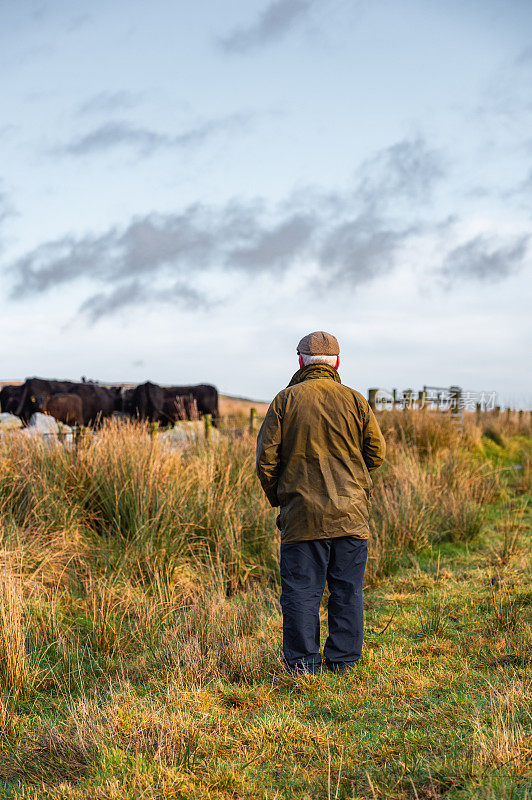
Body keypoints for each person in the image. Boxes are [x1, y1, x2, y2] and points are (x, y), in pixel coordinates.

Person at [256, 331, 386, 674]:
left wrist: (281, 499)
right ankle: (343, 663)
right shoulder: (356, 400)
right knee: (347, 592)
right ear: (337, 362)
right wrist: (354, 480)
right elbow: (377, 452)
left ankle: (303, 666)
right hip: (351, 516)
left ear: (300, 361)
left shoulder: (284, 401)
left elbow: (266, 460)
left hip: (302, 518)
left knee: (301, 594)